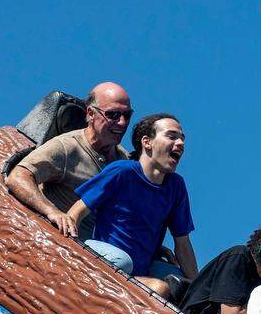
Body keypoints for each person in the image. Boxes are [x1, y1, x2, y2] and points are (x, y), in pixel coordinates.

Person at [60, 113, 198, 298]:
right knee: (152, 283)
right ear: (147, 142)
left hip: (141, 270)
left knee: (181, 283)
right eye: (172, 136)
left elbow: (183, 245)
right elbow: (77, 210)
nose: (180, 143)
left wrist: (199, 292)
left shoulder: (176, 187)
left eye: (182, 138)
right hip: (110, 260)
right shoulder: (123, 171)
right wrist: (67, 250)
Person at [5, 82, 132, 240]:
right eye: (113, 114)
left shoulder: (123, 157)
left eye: (127, 115)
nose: (122, 122)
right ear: (91, 114)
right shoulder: (67, 147)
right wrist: (53, 212)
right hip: (70, 247)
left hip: (108, 247)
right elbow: (17, 177)